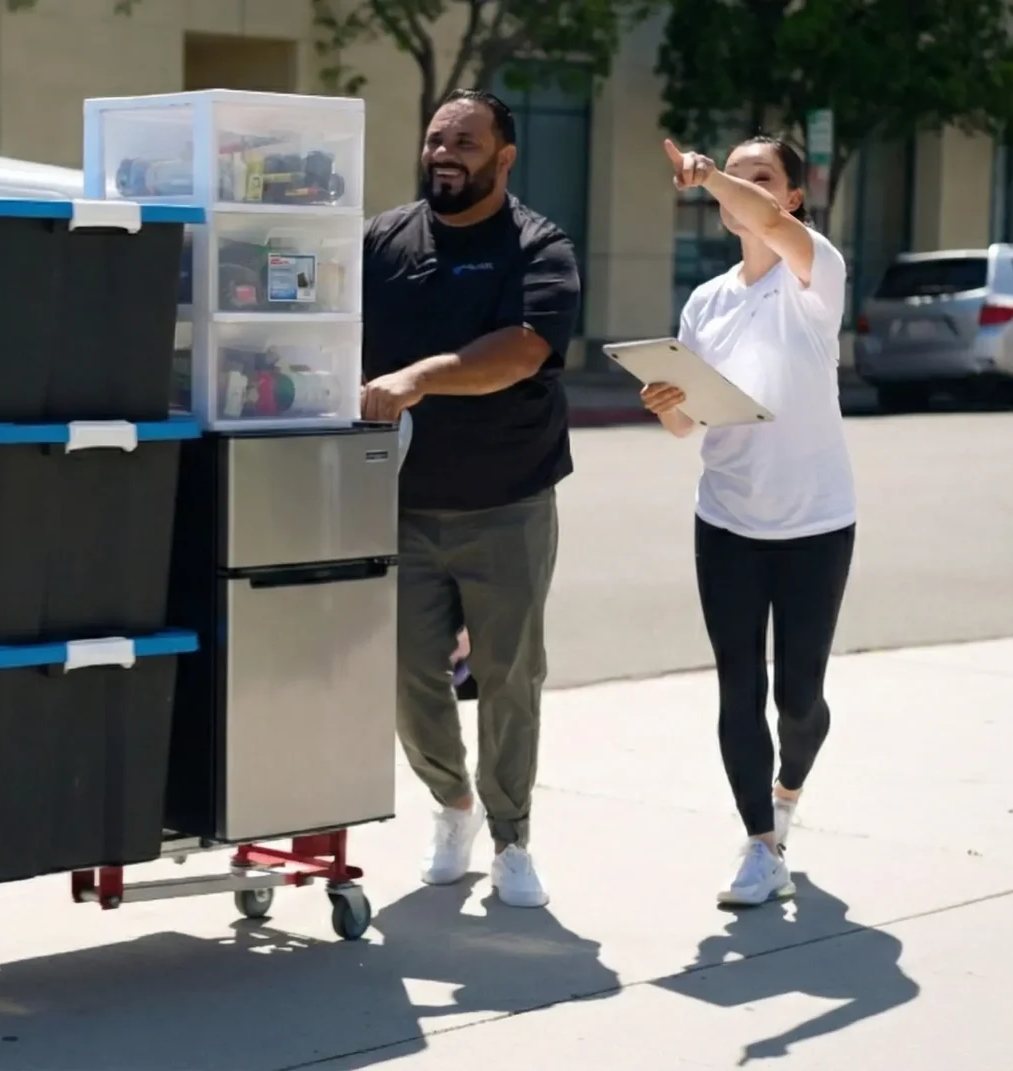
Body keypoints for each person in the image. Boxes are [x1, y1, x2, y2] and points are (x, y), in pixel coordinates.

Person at [360, 89, 582, 907]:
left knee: (508, 674)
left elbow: (522, 352)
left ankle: (511, 835)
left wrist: (418, 377)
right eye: (435, 140)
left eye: (465, 142)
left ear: (505, 156)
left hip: (507, 501)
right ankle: (451, 801)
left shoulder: (539, 246)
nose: (444, 154)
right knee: (407, 670)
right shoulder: (384, 240)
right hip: (403, 506)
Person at [641, 136, 856, 907]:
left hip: (816, 523)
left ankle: (790, 785)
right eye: (736, 173)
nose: (744, 189)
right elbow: (686, 424)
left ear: (791, 198)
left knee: (799, 700)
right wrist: (670, 405)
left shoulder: (814, 274)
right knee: (740, 685)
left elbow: (762, 215)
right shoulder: (707, 301)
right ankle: (761, 843)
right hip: (727, 519)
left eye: (760, 178)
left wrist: (711, 175)